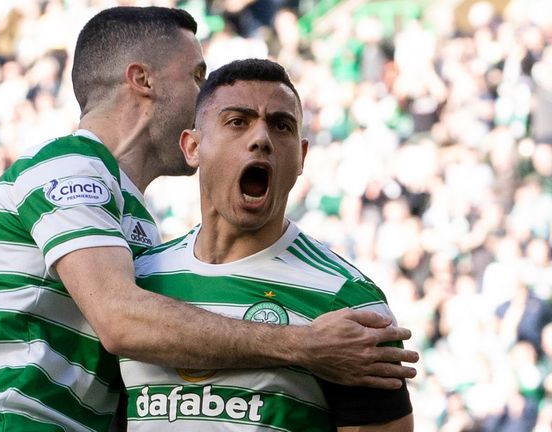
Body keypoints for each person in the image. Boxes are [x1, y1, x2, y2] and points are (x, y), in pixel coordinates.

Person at [0, 7, 418, 431]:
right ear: (143, 81)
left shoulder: (138, 221)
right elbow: (120, 320)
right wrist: (305, 347)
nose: (205, 93)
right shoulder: (67, 167)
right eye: (197, 77)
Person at [123, 58, 413, 430]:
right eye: (237, 122)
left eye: (281, 126)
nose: (261, 139)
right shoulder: (139, 281)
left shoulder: (345, 299)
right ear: (192, 147)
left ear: (301, 157)